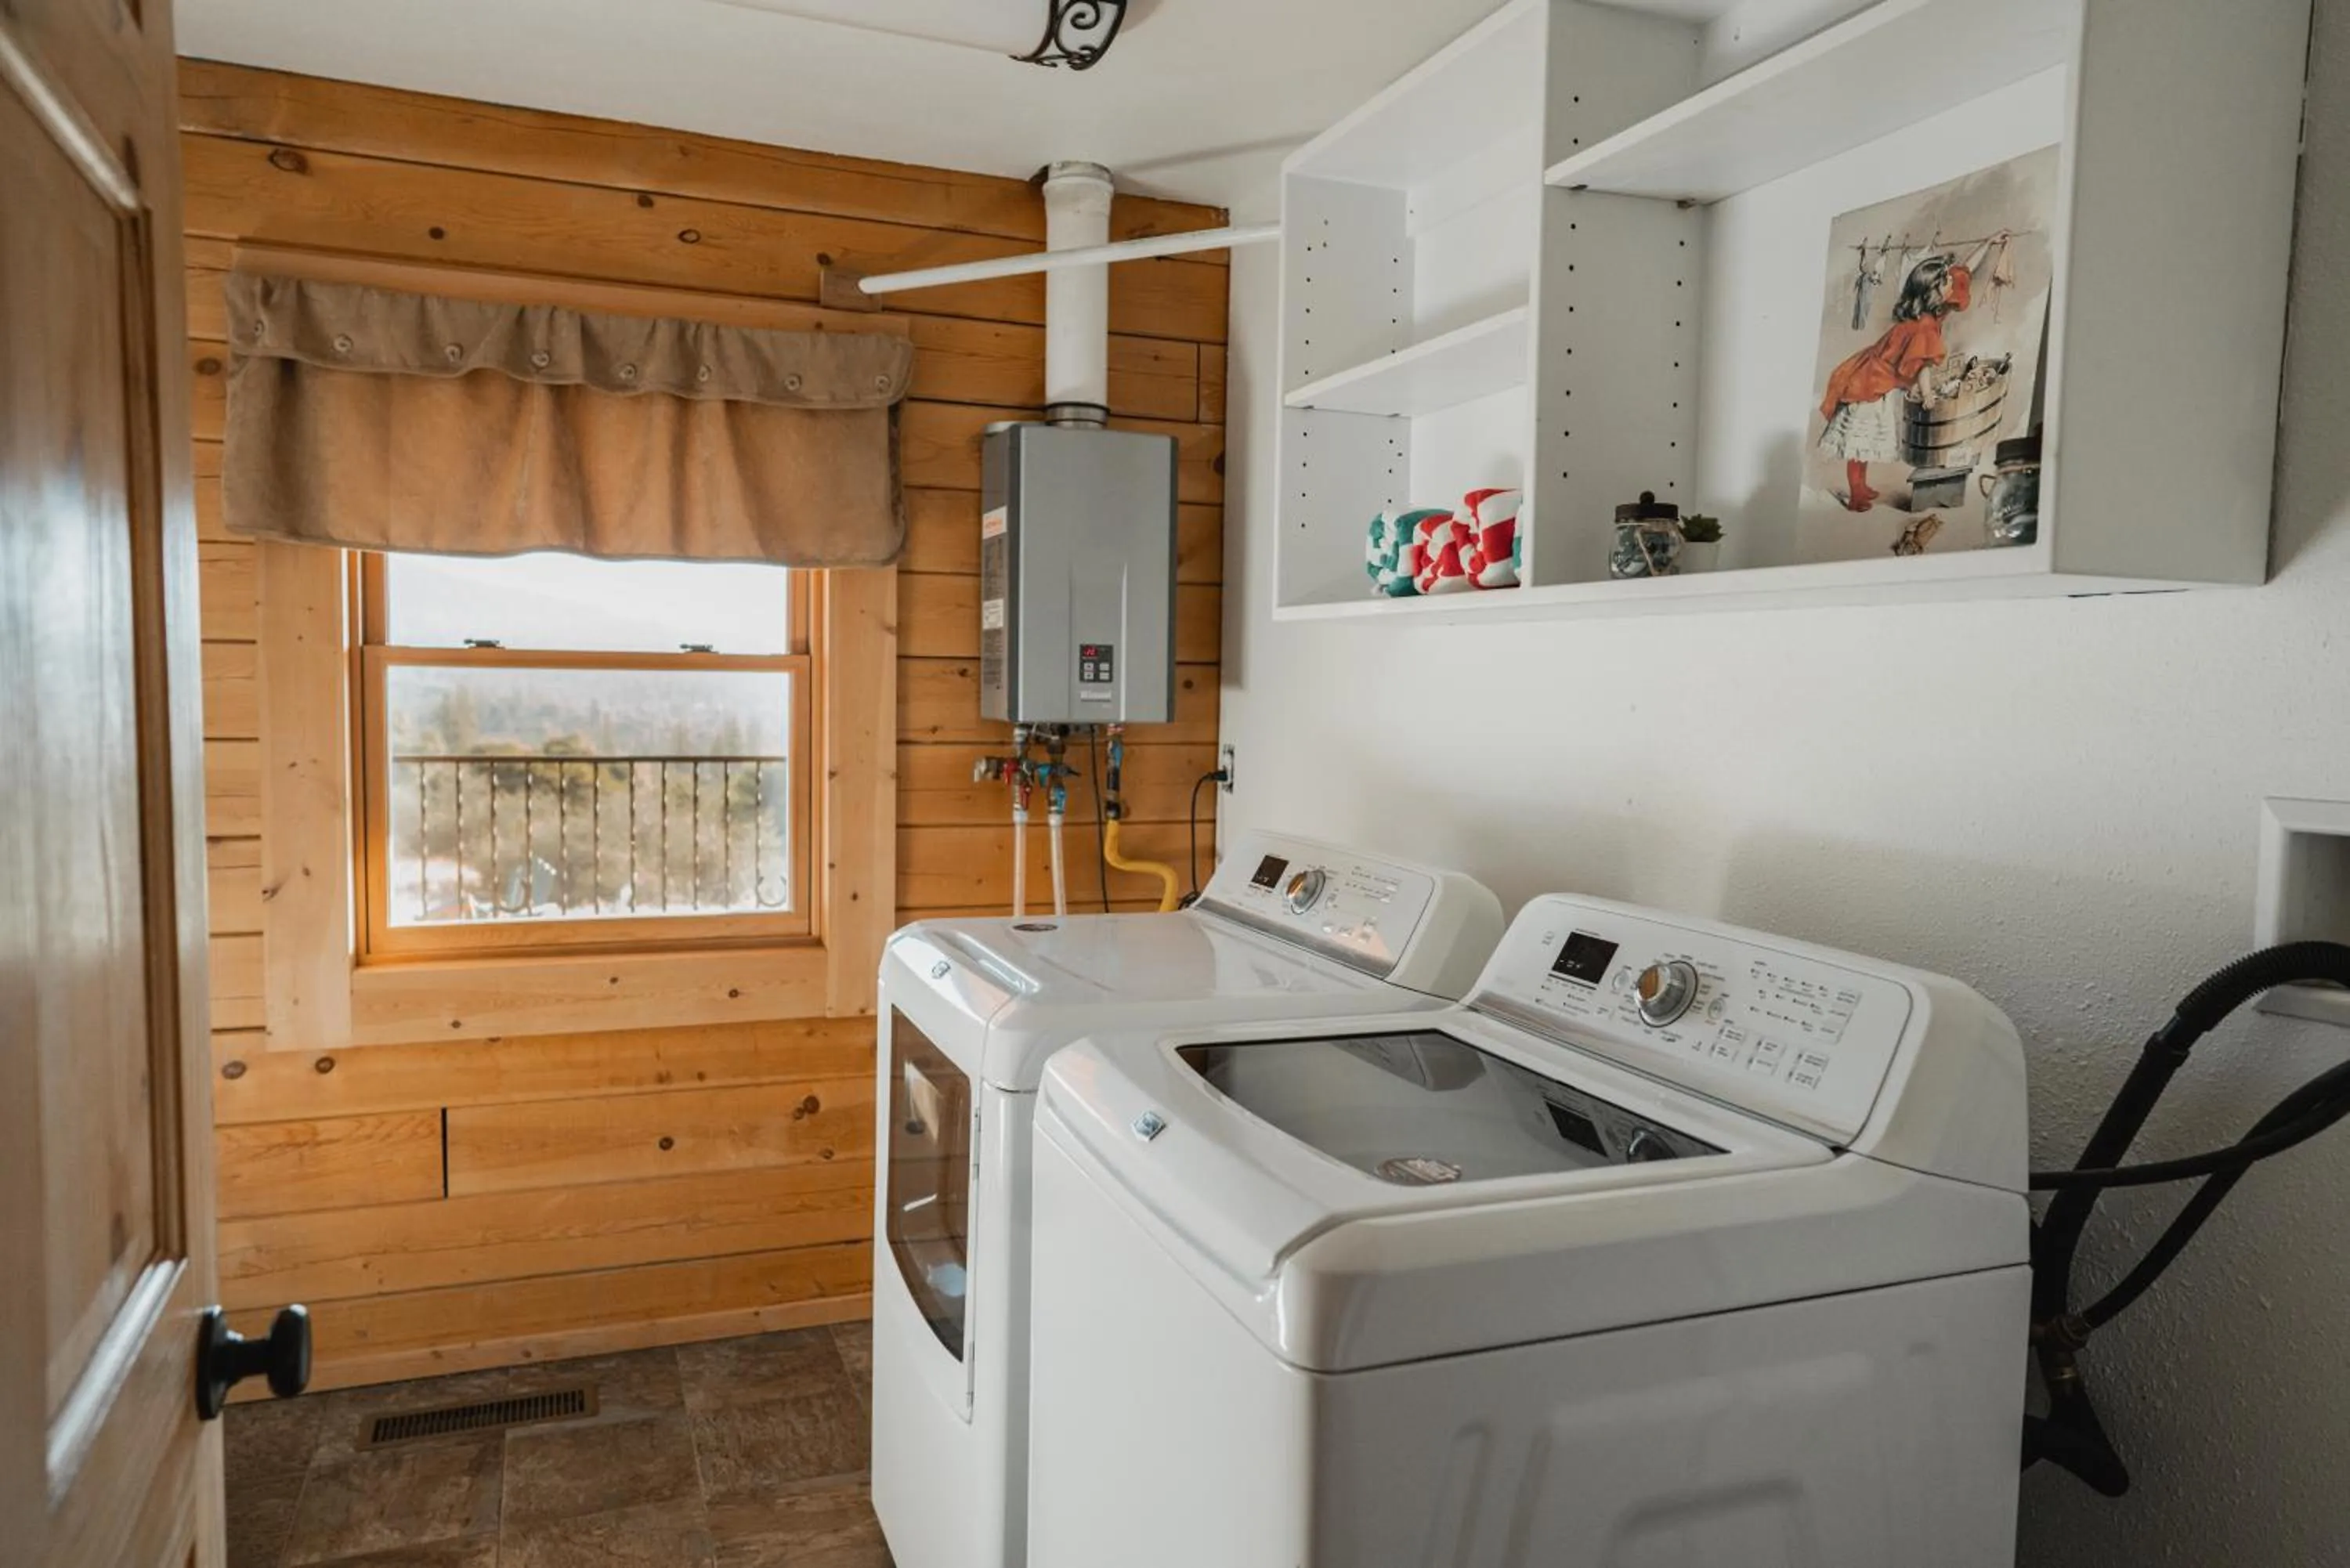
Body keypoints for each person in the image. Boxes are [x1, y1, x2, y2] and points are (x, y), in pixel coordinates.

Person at [1817, 233, 2003, 512]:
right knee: (1859, 441)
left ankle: (1861, 486)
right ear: (1932, 291)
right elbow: (1925, 366)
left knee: (1864, 442)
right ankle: (1856, 494)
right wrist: (1926, 394)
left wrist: (1987, 243)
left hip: (1878, 375)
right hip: (1869, 383)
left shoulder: (1933, 312)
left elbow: (1963, 270)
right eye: (1947, 282)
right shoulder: (1925, 325)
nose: (1954, 283)